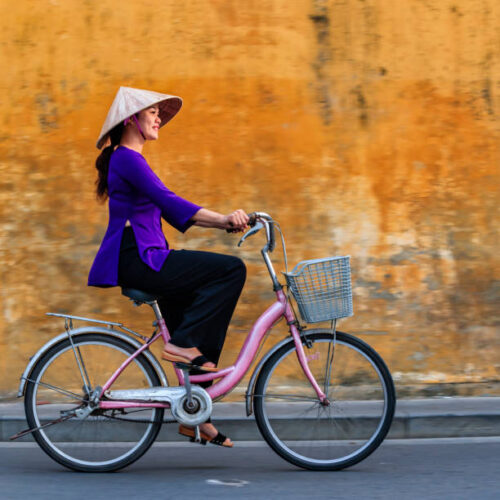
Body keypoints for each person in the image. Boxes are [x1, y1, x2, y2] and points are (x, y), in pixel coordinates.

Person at [88, 86, 249, 447]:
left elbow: (168, 207)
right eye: (152, 112)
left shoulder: (130, 160)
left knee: (198, 325)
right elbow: (169, 201)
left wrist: (222, 223)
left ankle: (198, 415)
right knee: (231, 270)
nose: (159, 118)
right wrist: (225, 219)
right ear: (132, 119)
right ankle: (182, 344)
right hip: (141, 258)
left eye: (160, 113)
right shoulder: (127, 159)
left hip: (148, 256)